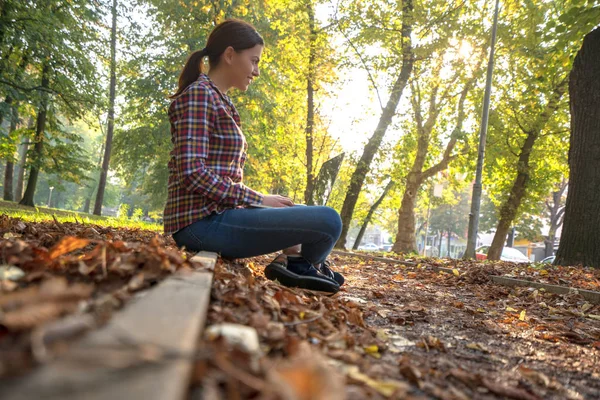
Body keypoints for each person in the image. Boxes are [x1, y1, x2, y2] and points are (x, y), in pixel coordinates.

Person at [164, 19, 344, 293]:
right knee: (328, 220)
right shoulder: (199, 96)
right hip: (199, 225)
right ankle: (300, 263)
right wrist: (258, 200)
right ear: (229, 55)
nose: (256, 71)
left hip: (220, 216)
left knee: (313, 215)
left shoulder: (220, 100)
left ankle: (296, 261)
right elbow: (192, 173)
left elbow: (222, 179)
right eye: (254, 61)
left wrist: (264, 204)